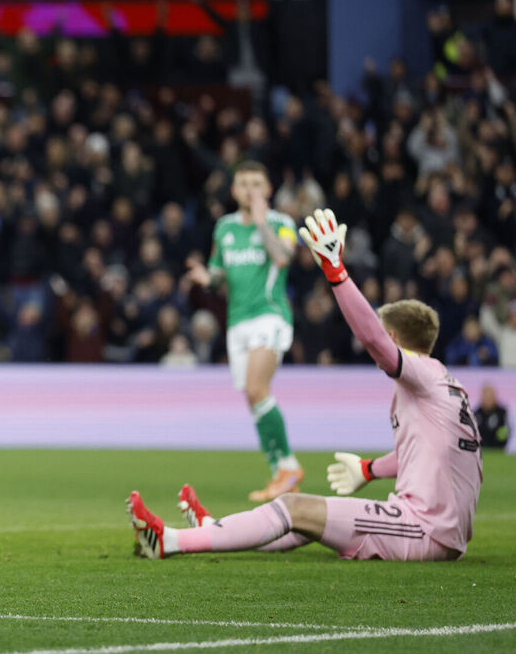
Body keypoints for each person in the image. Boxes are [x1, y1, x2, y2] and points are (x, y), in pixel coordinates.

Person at [129, 208, 483, 561]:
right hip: (435, 528)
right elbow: (424, 455)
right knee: (305, 521)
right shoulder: (445, 385)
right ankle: (212, 528)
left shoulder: (419, 376)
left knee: (294, 507)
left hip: (423, 528)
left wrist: (336, 272)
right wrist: (368, 469)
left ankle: (170, 541)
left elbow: (372, 339)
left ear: (392, 336)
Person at [185, 161, 303, 500]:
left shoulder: (282, 223)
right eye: (243, 184)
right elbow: (219, 272)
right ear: (234, 190)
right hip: (236, 322)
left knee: (256, 389)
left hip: (270, 315)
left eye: (256, 184)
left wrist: (262, 221)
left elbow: (283, 258)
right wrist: (207, 278)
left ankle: (289, 467)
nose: (250, 190)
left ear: (268, 190)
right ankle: (280, 472)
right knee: (253, 398)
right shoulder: (224, 227)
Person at [474, 383, 509, 450]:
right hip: (481, 450)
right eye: (486, 397)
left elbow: (507, 431)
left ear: (494, 397)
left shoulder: (502, 413)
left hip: (498, 449)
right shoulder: (476, 413)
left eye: (490, 396)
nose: (488, 399)